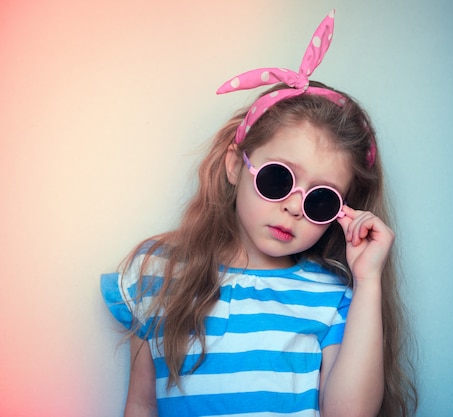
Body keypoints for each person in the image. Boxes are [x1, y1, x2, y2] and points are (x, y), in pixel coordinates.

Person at [101, 10, 417, 417]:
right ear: (236, 165)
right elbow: (141, 404)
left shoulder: (331, 297)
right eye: (277, 179)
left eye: (320, 200)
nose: (291, 207)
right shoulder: (157, 274)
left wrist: (369, 279)